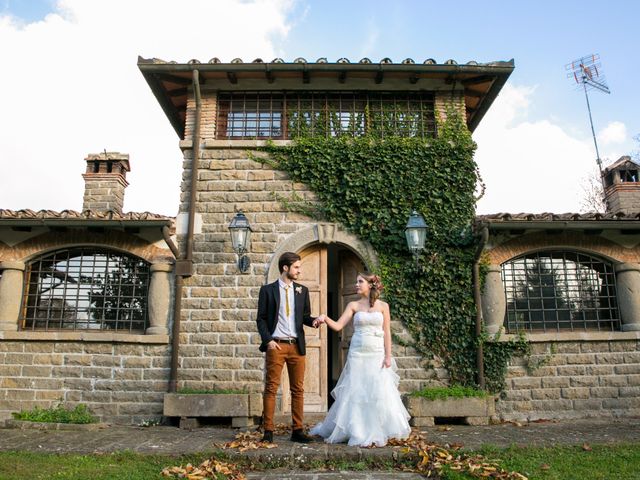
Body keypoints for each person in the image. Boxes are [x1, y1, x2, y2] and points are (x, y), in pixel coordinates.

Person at [310, 273, 411, 447]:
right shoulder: (353, 305)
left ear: (371, 285)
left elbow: (387, 332)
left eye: (360, 282)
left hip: (377, 353)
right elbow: (339, 326)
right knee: (356, 390)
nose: (356, 285)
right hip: (358, 353)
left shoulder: (383, 306)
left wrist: (388, 356)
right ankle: (356, 429)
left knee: (377, 390)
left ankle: (379, 428)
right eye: (356, 281)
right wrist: (325, 318)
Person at [256, 251, 321, 444]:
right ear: (286, 268)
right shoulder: (267, 290)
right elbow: (261, 319)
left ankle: (297, 430)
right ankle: (268, 431)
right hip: (276, 345)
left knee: (298, 389)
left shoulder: (302, 290)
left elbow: (305, 317)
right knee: (271, 388)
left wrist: (314, 321)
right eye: (296, 267)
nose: (299, 271)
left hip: (296, 346)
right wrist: (268, 340)